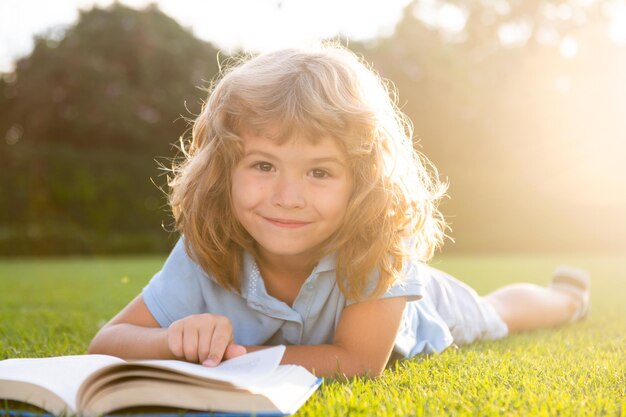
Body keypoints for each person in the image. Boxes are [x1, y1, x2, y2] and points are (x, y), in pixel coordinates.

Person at [88, 45, 590, 378]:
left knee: (495, 313)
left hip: (424, 310)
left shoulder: (380, 243)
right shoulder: (208, 245)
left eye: (320, 172)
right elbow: (107, 342)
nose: (288, 196)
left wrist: (230, 360)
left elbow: (357, 362)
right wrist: (176, 343)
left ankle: (565, 298)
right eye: (263, 164)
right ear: (223, 169)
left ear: (362, 180)